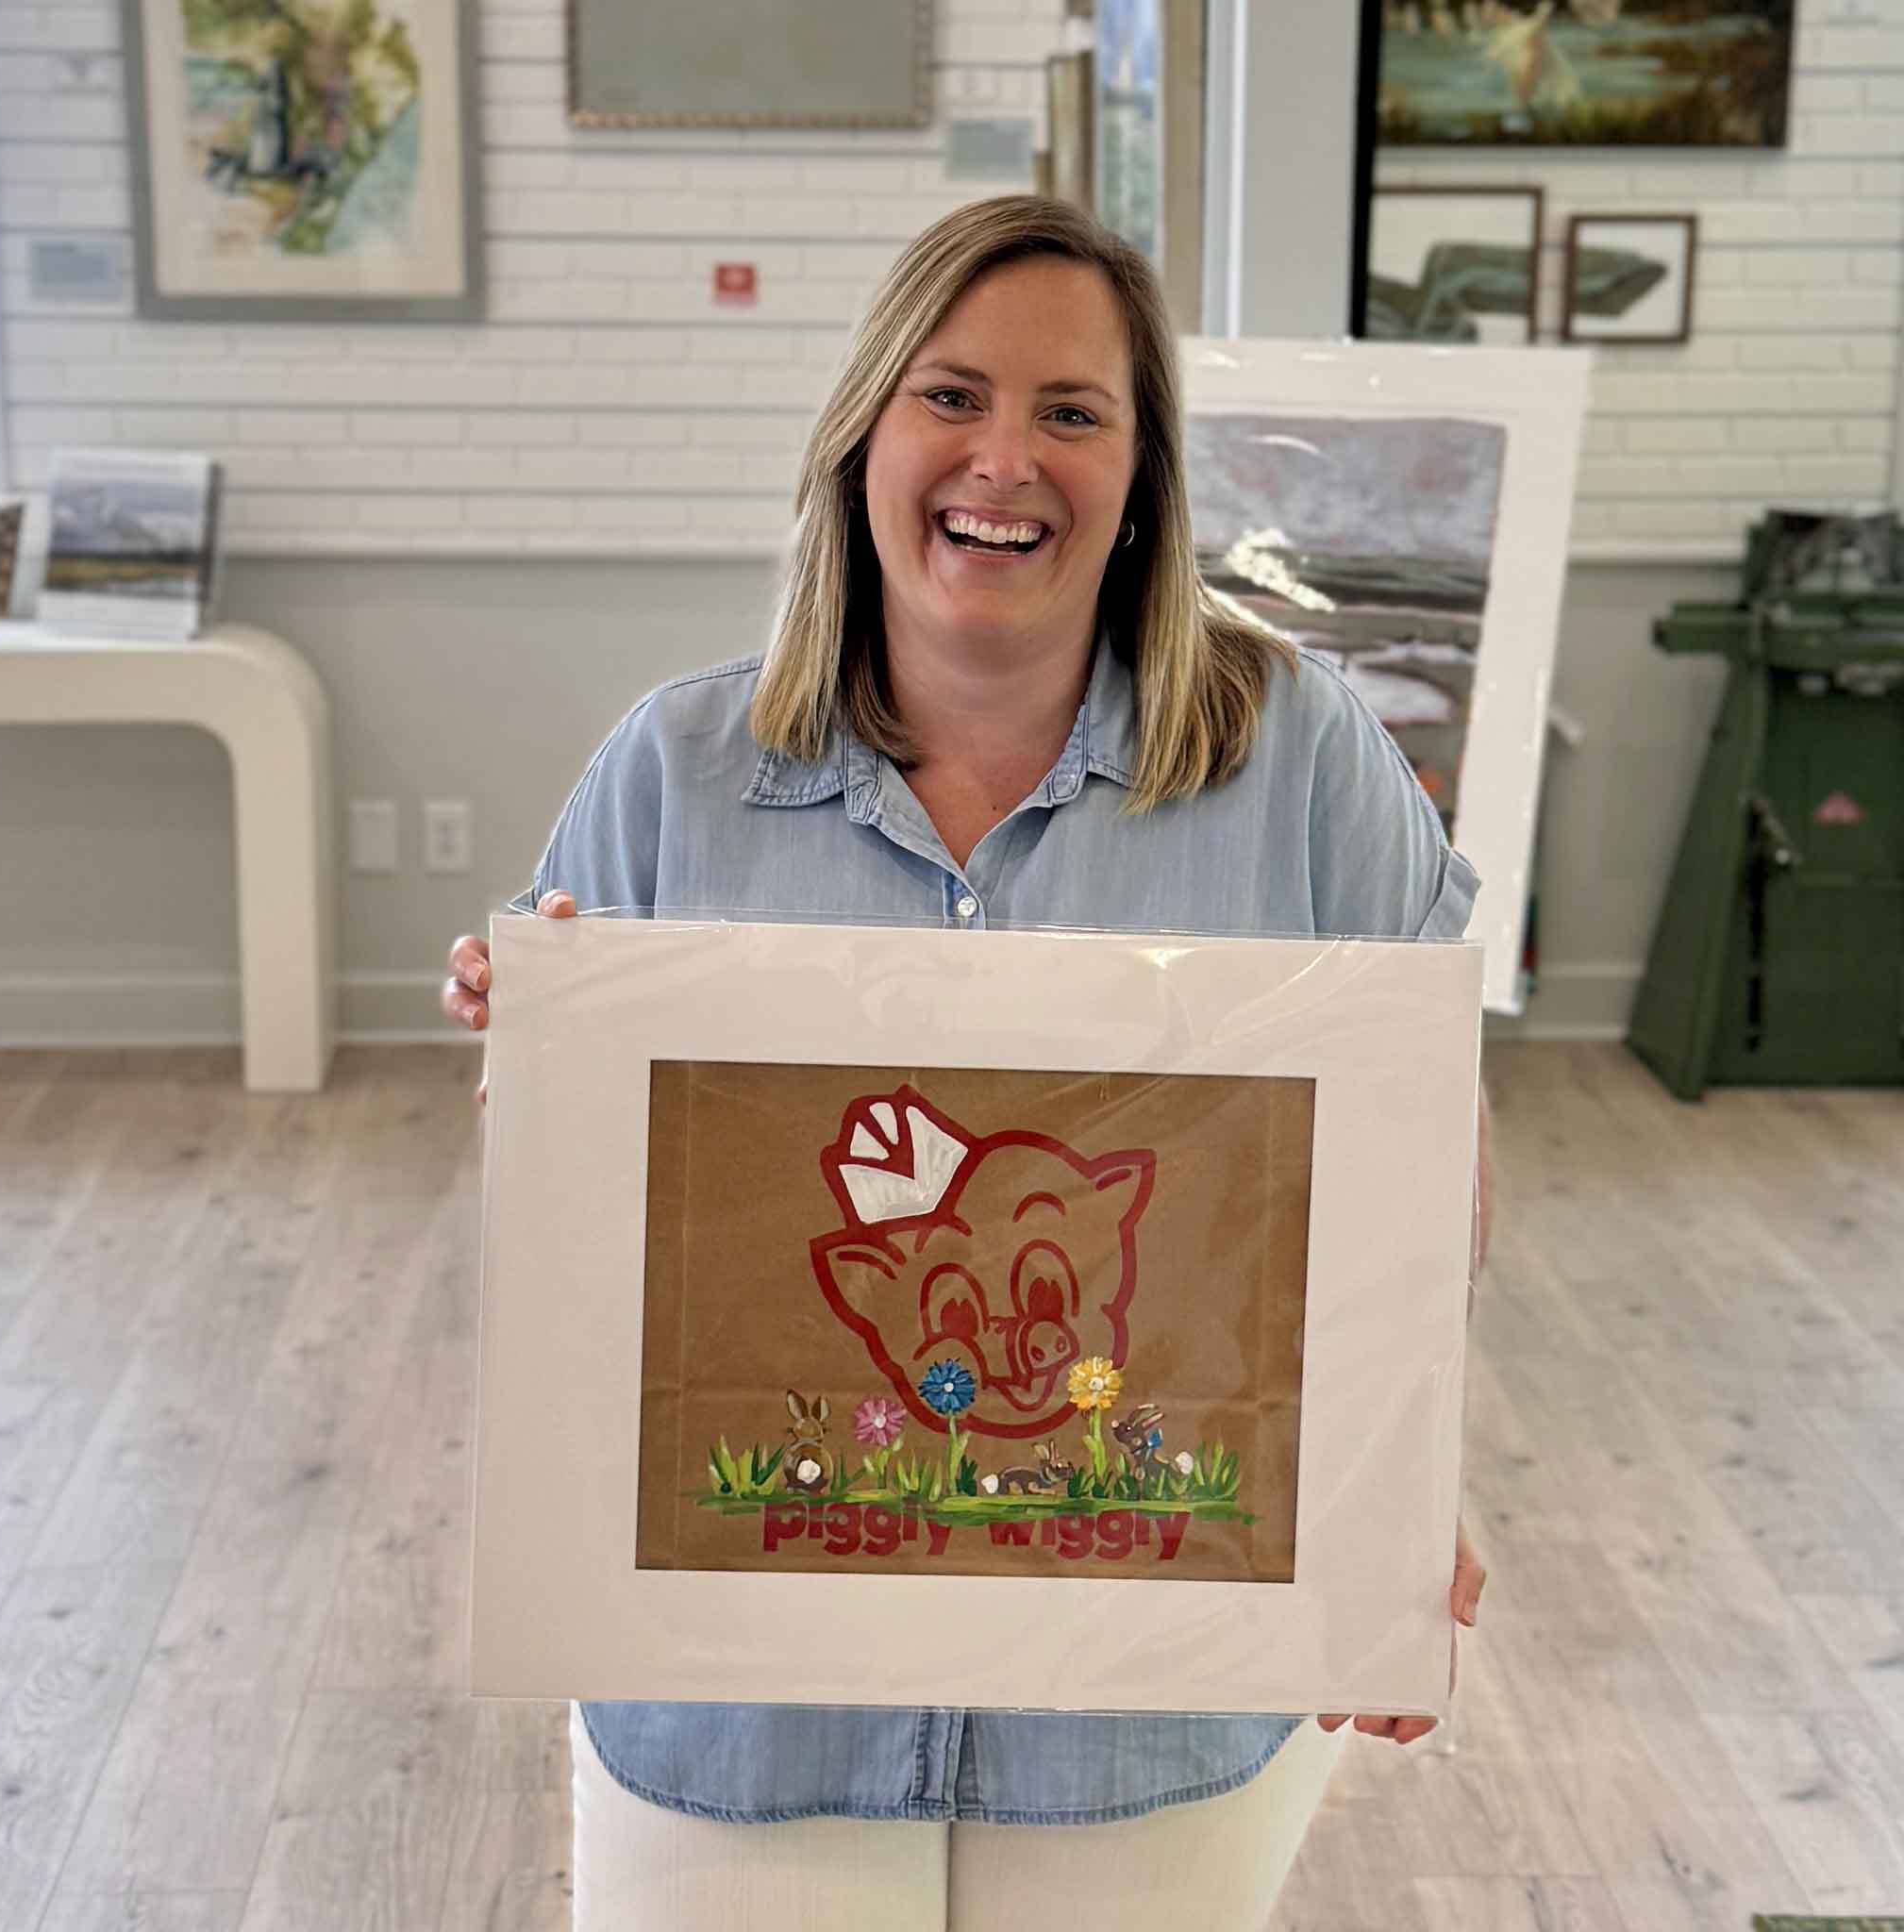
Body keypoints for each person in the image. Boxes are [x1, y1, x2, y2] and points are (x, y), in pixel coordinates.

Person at [443, 194, 1490, 1932]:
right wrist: (535, 1043)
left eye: (1072, 412)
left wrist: (1402, 1479)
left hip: (1155, 1682)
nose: (1005, 458)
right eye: (952, 394)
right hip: (745, 1700)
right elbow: (593, 1226)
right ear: (865, 430)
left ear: (1141, 474)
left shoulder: (1298, 755)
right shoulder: (676, 769)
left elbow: (1422, 1126)